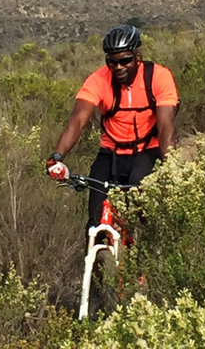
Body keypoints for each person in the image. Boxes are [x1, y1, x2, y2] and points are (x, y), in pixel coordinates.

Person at [46, 24, 179, 231]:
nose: (118, 67)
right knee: (95, 220)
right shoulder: (99, 80)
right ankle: (94, 257)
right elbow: (77, 120)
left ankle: (145, 250)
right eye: (112, 62)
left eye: (125, 60)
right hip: (111, 152)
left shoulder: (158, 77)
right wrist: (57, 157)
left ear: (138, 57)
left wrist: (172, 166)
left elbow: (165, 128)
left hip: (147, 150)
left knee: (142, 203)